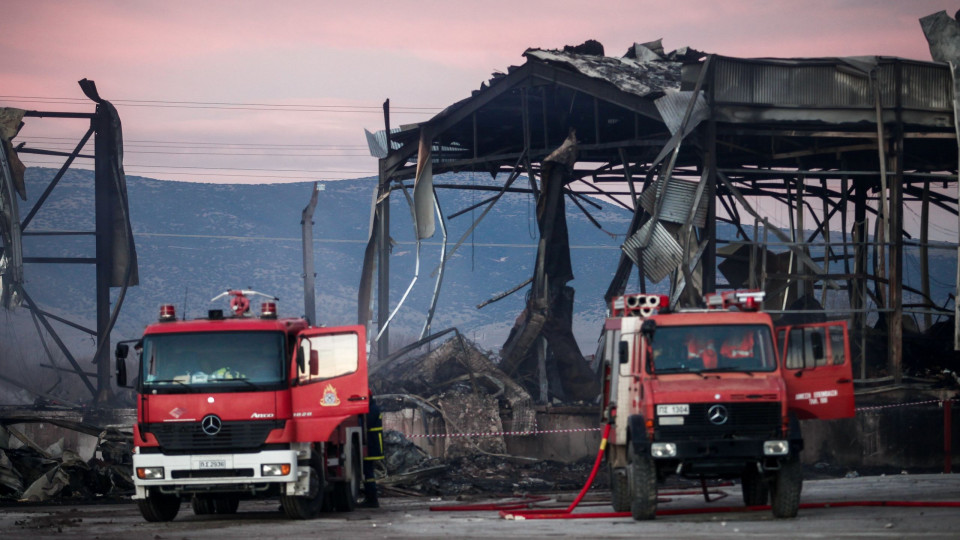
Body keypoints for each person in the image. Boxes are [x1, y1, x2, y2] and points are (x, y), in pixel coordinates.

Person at [362, 396, 383, 508]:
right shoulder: (373, 407)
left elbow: (367, 423)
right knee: (368, 472)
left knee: (368, 472)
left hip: (371, 443)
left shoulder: (372, 409)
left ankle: (372, 499)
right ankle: (370, 498)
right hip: (371, 443)